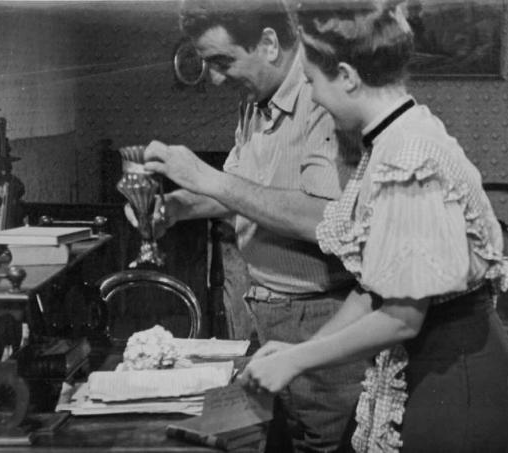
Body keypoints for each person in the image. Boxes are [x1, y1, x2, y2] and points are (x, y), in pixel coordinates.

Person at [238, 1, 508, 452]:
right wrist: (301, 351)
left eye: (313, 82)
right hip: (426, 362)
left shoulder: (407, 155)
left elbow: (402, 318)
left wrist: (297, 360)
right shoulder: (388, 140)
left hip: (455, 373)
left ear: (348, 76)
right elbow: (374, 288)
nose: (311, 96)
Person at [133, 0, 366, 451]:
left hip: (322, 317)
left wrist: (207, 176)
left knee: (325, 445)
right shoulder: (257, 100)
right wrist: (177, 206)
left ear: (268, 43)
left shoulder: (323, 99)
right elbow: (244, 195)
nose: (217, 78)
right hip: (272, 313)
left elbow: (323, 219)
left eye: (223, 61)